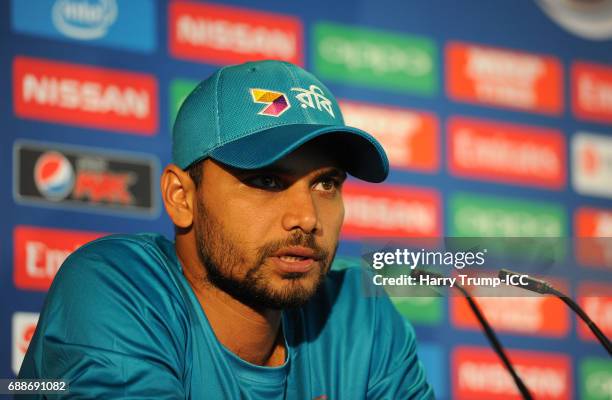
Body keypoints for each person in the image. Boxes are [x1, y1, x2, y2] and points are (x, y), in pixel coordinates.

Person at [19, 60, 435, 399]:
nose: (307, 218)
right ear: (182, 197)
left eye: (326, 184)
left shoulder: (359, 315)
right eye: (267, 181)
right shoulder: (113, 287)